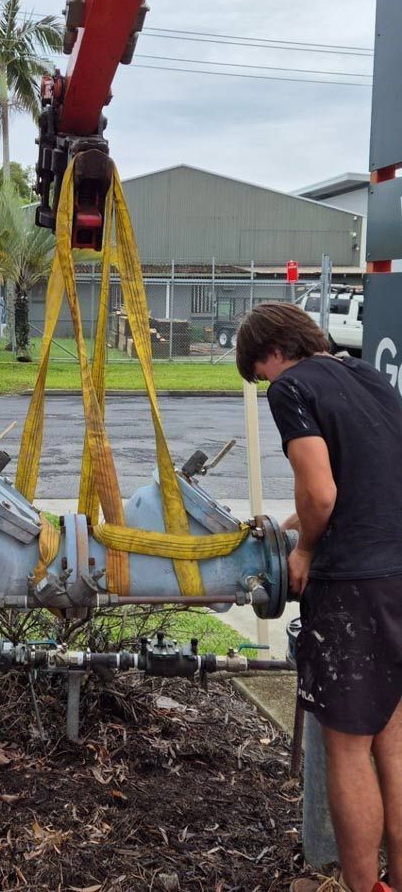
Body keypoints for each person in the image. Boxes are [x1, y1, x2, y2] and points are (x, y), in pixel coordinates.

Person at [237, 302, 402, 892]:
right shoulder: (370, 379)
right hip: (398, 573)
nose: (267, 385)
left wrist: (302, 551)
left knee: (349, 751)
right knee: (395, 746)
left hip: (352, 587)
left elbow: (322, 492)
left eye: (260, 374)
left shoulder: (294, 388)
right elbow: (364, 481)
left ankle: (361, 888)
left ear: (271, 354)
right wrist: (291, 525)